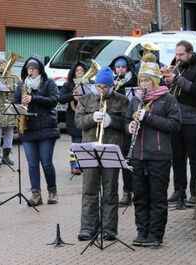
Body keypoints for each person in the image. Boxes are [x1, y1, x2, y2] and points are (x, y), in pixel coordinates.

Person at [125, 55, 181, 248]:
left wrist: (148, 117)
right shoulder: (135, 100)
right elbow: (126, 120)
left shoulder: (167, 99)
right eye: (141, 80)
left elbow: (174, 125)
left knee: (157, 197)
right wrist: (129, 126)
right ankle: (142, 231)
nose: (144, 84)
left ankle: (156, 234)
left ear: (155, 80)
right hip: (138, 156)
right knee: (139, 196)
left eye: (147, 80)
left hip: (159, 156)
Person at [74, 66, 129, 241]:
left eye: (105, 87)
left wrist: (112, 121)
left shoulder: (121, 100)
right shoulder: (85, 99)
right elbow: (78, 122)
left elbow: (126, 125)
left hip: (111, 149)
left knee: (110, 191)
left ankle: (109, 228)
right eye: (99, 87)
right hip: (90, 148)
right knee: (89, 189)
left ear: (112, 87)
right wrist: (92, 118)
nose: (101, 90)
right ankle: (88, 228)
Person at [162, 40, 196, 206]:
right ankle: (178, 190)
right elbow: (170, 91)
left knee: (194, 157)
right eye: (176, 54)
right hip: (176, 119)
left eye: (181, 54)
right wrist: (166, 81)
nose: (178, 57)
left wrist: (177, 79)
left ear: (190, 53)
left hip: (193, 120)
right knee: (177, 157)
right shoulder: (176, 67)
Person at [13, 54, 60, 206]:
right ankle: (36, 195)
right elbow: (15, 104)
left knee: (46, 163)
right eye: (28, 68)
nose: (30, 71)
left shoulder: (49, 83)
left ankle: (52, 192)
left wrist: (34, 98)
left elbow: (53, 101)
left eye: (33, 68)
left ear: (39, 70)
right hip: (28, 129)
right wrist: (18, 108)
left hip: (46, 127)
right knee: (32, 164)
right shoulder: (22, 85)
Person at [108, 56, 138, 206]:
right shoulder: (110, 82)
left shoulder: (134, 82)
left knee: (127, 160)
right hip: (114, 126)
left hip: (128, 124)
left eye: (123, 67)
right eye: (118, 67)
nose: (120, 69)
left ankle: (128, 191)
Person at [0, 51, 20, 167]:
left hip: (9, 107)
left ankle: (6, 156)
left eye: (3, 64)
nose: (2, 66)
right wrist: (1, 85)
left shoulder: (12, 75)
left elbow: (17, 89)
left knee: (10, 132)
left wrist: (13, 87)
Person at [58, 61, 88, 175]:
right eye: (77, 70)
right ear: (73, 72)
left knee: (86, 143)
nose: (79, 73)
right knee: (75, 143)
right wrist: (72, 96)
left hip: (87, 116)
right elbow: (60, 98)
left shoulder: (90, 83)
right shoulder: (68, 84)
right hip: (73, 116)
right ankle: (74, 166)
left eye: (82, 70)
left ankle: (84, 164)